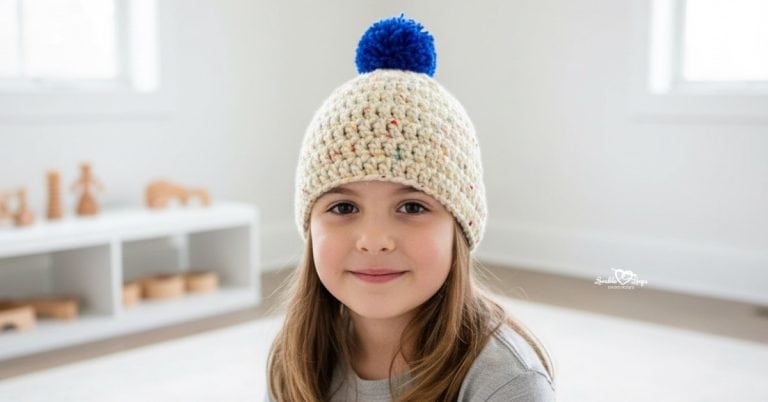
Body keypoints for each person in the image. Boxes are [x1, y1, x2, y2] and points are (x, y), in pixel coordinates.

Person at [267, 14, 555, 401]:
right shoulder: (298, 358)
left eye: (412, 207)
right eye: (343, 208)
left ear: (459, 227)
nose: (373, 240)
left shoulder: (506, 383)